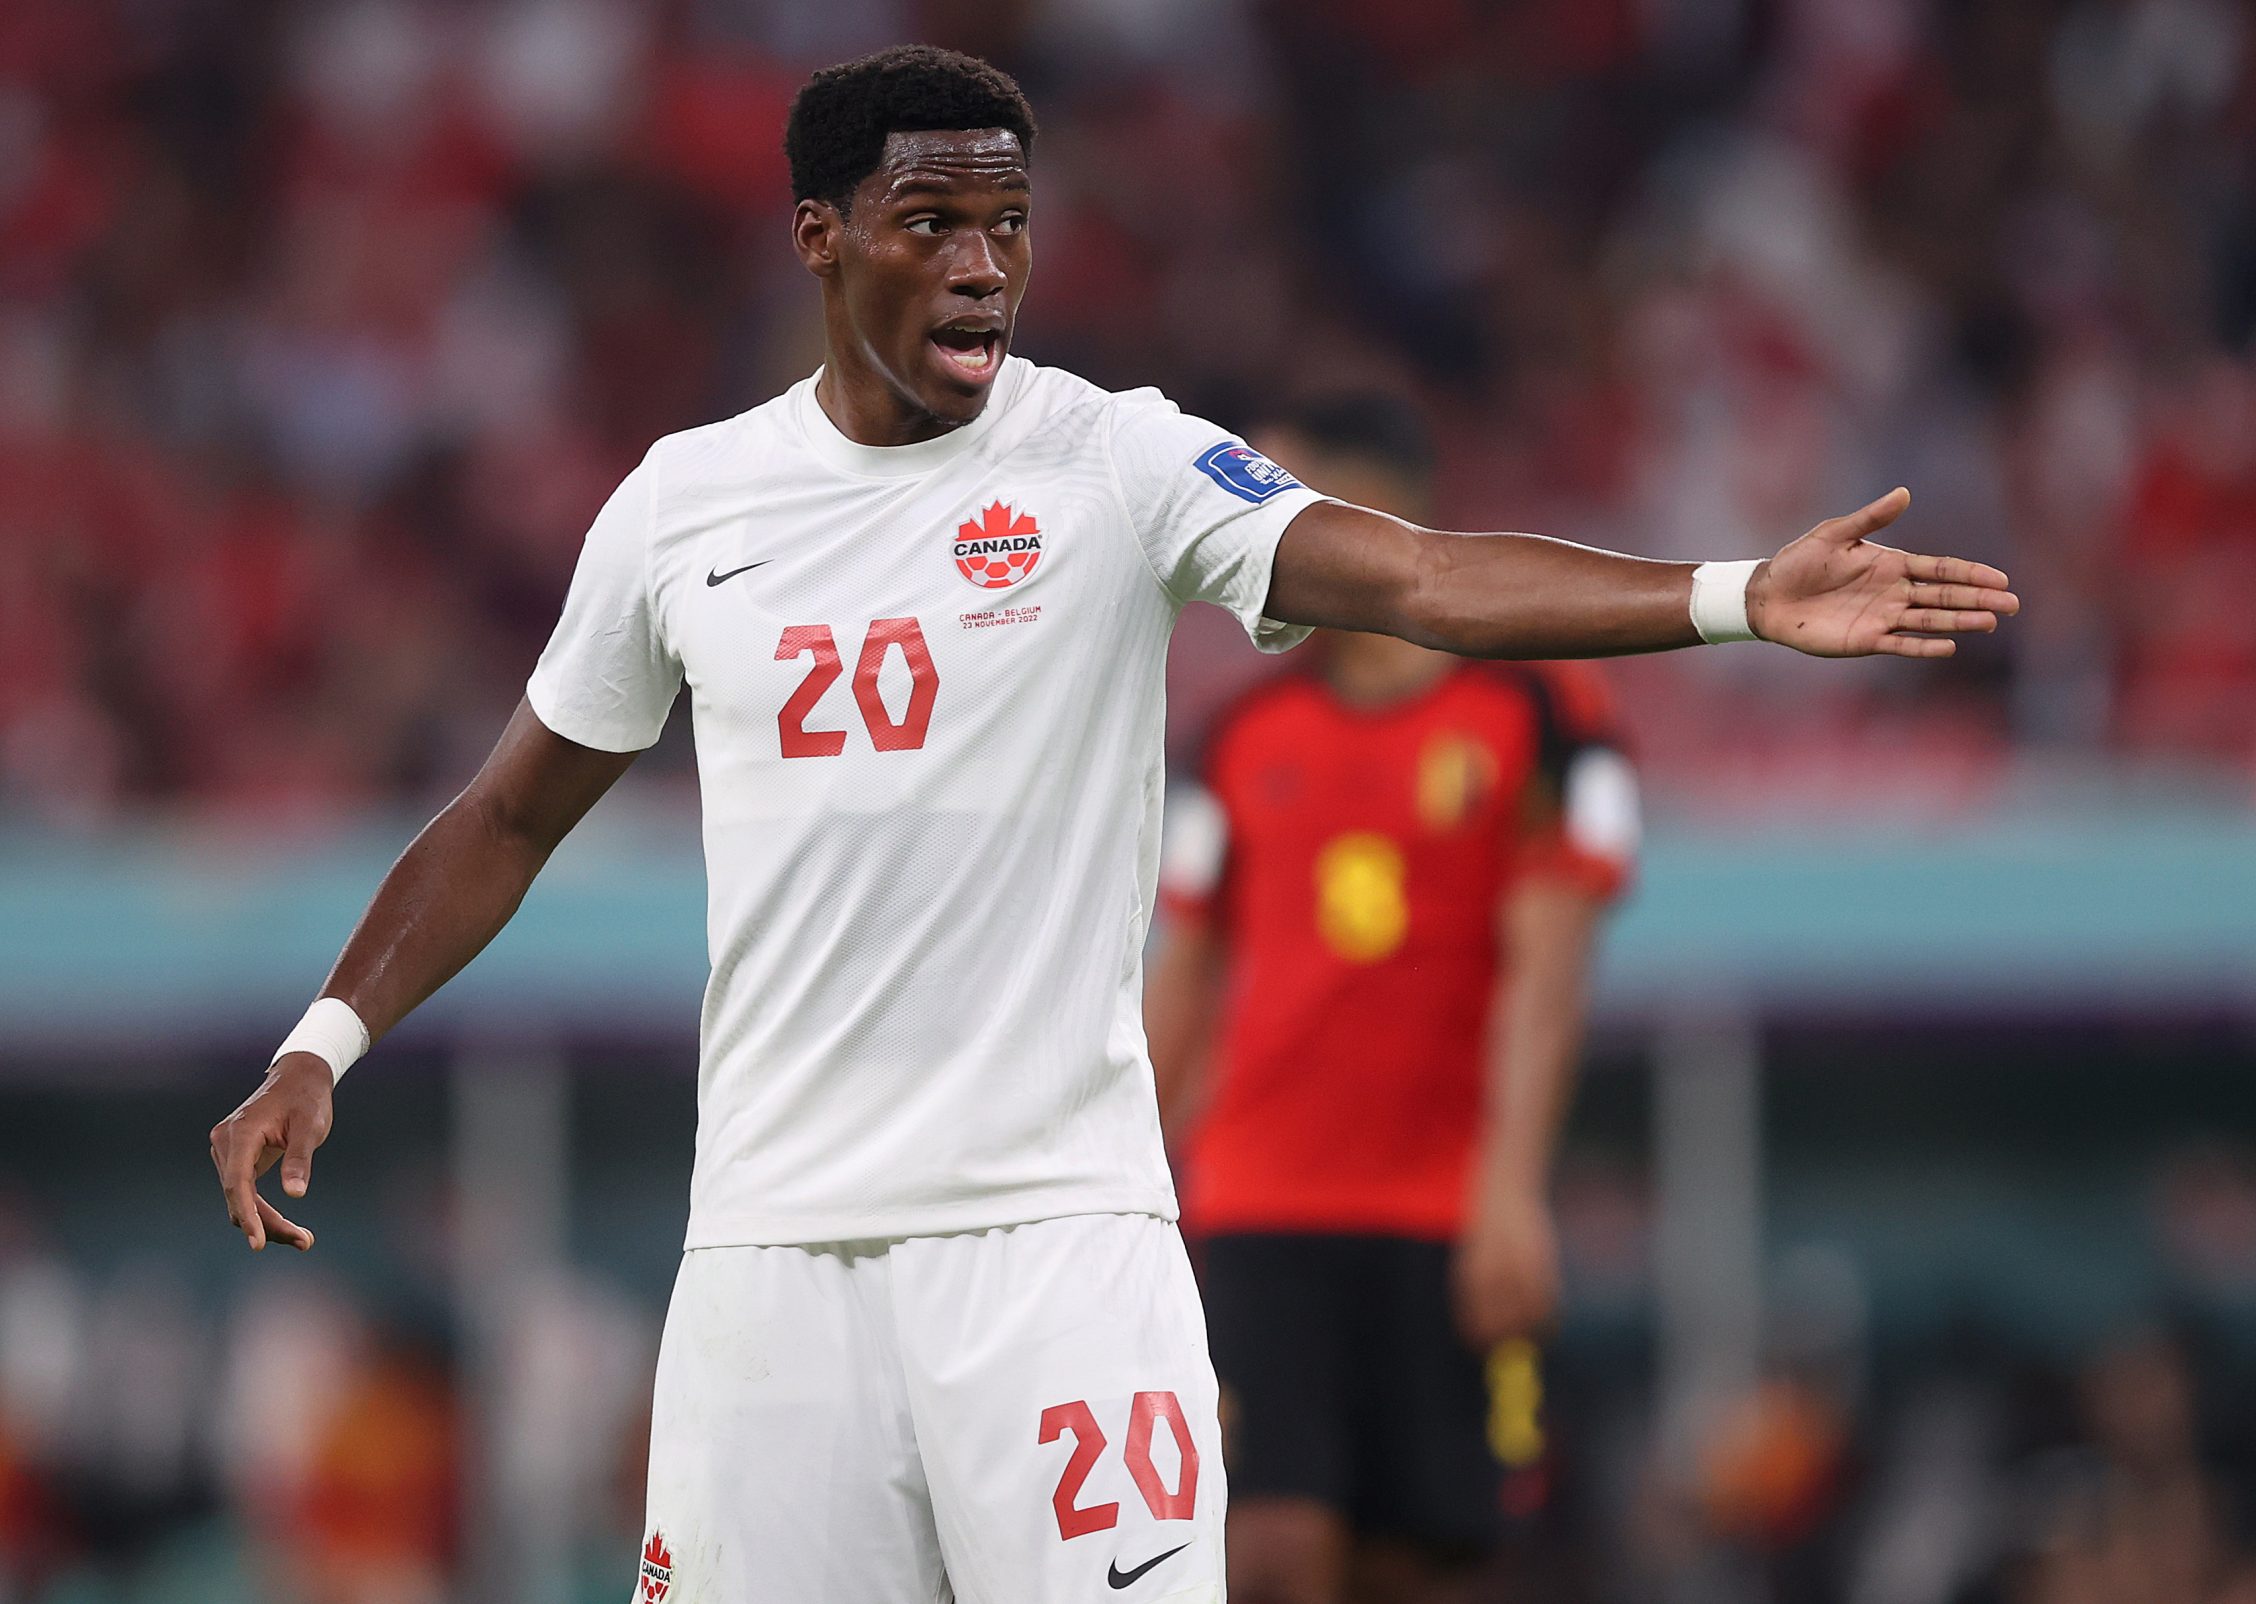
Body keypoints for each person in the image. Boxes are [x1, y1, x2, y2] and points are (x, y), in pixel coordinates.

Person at [205, 44, 2017, 1604]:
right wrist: (325, 1036)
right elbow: (512, 807)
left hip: (1055, 1250)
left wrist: (1727, 594)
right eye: (934, 223)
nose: (985, 265)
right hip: (770, 1262)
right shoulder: (686, 506)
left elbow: (1424, 574)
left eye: (1010, 225)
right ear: (819, 238)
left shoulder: (1115, 460)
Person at [1146, 393, 1635, 1604]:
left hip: (1440, 1211)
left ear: (1372, 510)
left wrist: (1512, 1191)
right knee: (1268, 1551)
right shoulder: (1237, 736)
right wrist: (1130, 1202)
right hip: (1256, 1203)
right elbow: (1183, 978)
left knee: (1422, 1565)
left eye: (1279, 497)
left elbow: (1549, 967)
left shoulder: (1539, 713)